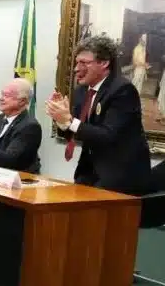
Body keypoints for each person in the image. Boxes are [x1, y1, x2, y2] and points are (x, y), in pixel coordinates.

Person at [47, 34, 150, 195]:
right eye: (76, 63)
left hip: (119, 178)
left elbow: (108, 136)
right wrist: (61, 120)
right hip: (88, 174)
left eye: (83, 63)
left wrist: (69, 121)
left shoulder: (122, 90)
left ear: (104, 63)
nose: (76, 69)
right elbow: (75, 133)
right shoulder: (81, 91)